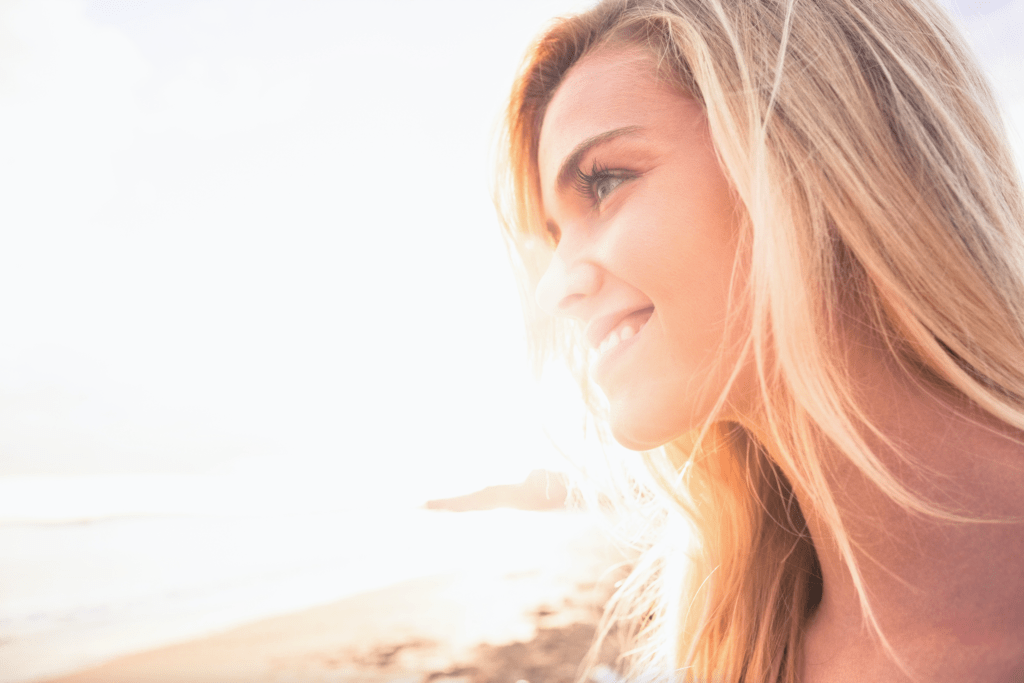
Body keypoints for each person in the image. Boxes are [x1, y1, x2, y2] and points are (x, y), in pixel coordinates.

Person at [494, 0, 1024, 681]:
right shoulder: (730, 652)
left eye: (604, 182)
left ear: (814, 146)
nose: (555, 287)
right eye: (554, 235)